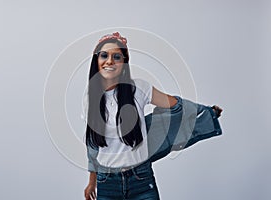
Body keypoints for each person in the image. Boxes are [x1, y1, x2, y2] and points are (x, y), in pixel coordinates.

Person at [83, 32, 222, 200]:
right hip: (107, 183)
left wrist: (206, 111)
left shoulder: (139, 88)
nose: (110, 61)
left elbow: (176, 106)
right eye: (104, 55)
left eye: (117, 56)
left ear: (124, 63)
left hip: (141, 180)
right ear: (96, 60)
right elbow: (93, 144)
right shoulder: (90, 96)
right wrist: (92, 181)